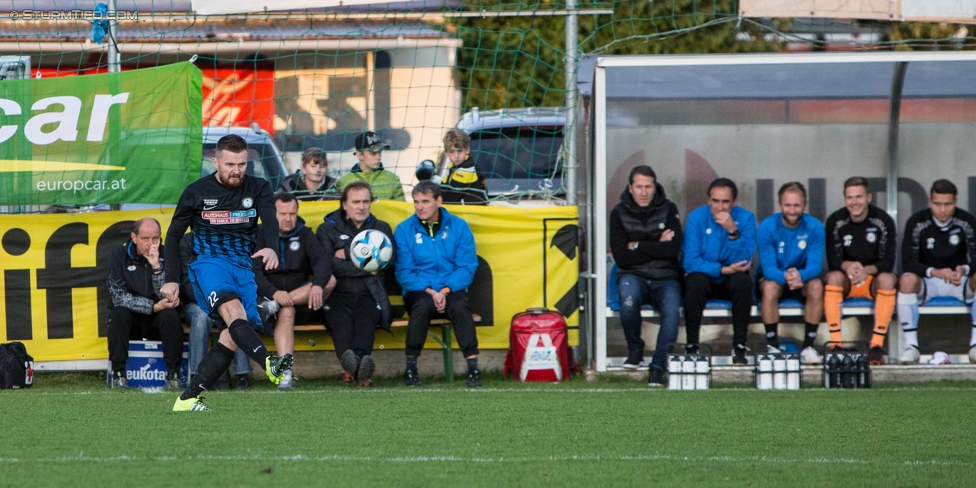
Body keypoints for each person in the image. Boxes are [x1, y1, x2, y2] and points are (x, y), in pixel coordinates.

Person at [162, 134, 294, 412]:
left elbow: (269, 218)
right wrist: (171, 279)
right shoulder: (196, 192)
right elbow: (173, 236)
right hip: (209, 263)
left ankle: (187, 400)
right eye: (230, 164)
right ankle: (269, 362)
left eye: (242, 164)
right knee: (233, 311)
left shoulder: (259, 187)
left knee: (231, 337)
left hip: (242, 268)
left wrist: (271, 247)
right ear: (216, 162)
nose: (236, 170)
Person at [394, 180, 481, 387]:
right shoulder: (404, 229)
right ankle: (411, 369)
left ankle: (474, 369)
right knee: (422, 305)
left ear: (439, 201)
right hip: (419, 290)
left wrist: (445, 290)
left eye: (425, 201)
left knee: (460, 306)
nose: (419, 207)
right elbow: (404, 271)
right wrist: (431, 292)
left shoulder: (459, 227)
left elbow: (467, 266)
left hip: (451, 288)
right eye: (416, 202)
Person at [316, 181, 395, 387]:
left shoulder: (381, 228)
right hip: (337, 294)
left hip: (371, 293)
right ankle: (359, 370)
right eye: (356, 202)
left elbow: (390, 262)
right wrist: (369, 264)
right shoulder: (326, 230)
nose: (361, 206)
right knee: (340, 325)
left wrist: (347, 255)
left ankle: (354, 369)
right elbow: (328, 265)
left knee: (365, 324)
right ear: (344, 204)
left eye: (366, 202)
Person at [608, 165, 682, 387]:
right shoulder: (618, 213)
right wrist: (657, 245)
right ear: (630, 188)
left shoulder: (669, 209)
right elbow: (621, 257)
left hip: (666, 277)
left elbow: (672, 251)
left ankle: (658, 366)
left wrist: (637, 245)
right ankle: (635, 349)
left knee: (671, 312)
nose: (644, 192)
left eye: (648, 186)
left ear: (655, 186)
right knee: (628, 302)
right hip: (633, 275)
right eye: (639, 187)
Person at [253, 192, 334, 390]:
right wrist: (273, 293)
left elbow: (322, 262)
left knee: (329, 281)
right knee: (287, 311)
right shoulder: (259, 234)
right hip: (264, 301)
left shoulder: (305, 234)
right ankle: (286, 373)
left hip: (300, 300)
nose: (288, 219)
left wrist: (317, 284)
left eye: (292, 213)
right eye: (283, 213)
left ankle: (277, 305)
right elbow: (252, 272)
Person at [897, 179, 976, 364]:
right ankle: (912, 347)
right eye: (937, 204)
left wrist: (965, 269)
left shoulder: (967, 222)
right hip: (928, 282)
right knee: (907, 280)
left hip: (959, 282)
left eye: (947, 204)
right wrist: (934, 272)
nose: (942, 210)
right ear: (929, 201)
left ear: (955, 201)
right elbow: (907, 261)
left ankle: (974, 346)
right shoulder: (917, 222)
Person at [682, 178, 757, 365]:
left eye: (725, 202)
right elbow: (691, 262)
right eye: (715, 201)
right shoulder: (696, 218)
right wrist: (723, 269)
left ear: (735, 201)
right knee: (695, 282)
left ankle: (739, 346)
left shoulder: (746, 218)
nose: (720, 207)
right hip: (708, 275)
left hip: (732, 276)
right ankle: (692, 346)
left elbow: (744, 261)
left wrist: (732, 231)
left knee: (742, 282)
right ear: (708, 200)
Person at [824, 177, 897, 365]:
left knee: (888, 279)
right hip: (848, 282)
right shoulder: (836, 220)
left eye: (859, 196)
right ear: (844, 199)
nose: (854, 202)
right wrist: (846, 265)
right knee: (832, 277)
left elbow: (889, 261)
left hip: (872, 281)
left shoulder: (883, 220)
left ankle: (876, 346)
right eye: (850, 197)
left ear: (869, 197)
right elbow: (833, 260)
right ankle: (836, 345)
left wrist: (868, 270)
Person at [106, 218, 184, 389]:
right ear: (134, 237)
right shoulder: (119, 256)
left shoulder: (168, 255)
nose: (151, 244)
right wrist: (152, 306)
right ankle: (119, 373)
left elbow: (169, 295)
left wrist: (156, 266)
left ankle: (174, 375)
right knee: (118, 313)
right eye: (145, 239)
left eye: (155, 239)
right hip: (132, 316)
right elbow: (118, 296)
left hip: (158, 317)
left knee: (171, 316)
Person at [756, 182, 825, 362]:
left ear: (805, 205)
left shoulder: (816, 227)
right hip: (776, 277)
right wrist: (786, 277)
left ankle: (808, 347)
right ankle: (772, 346)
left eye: (796, 205)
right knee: (770, 288)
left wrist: (800, 276)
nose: (792, 210)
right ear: (779, 205)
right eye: (787, 205)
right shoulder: (767, 227)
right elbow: (768, 268)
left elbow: (815, 266)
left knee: (817, 286)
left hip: (803, 279)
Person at [180, 233, 253, 390]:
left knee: (235, 314)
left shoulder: (228, 240)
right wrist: (213, 302)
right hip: (197, 302)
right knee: (201, 317)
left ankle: (243, 376)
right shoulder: (186, 242)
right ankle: (197, 377)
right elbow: (185, 283)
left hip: (225, 298)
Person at [335, 131, 405, 201]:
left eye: (380, 152)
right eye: (373, 153)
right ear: (359, 155)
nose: (378, 157)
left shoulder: (393, 179)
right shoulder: (343, 182)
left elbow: (401, 210)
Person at [439, 129, 488, 205]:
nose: (456, 156)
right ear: (446, 153)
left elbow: (451, 198)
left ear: (467, 150)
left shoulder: (467, 168)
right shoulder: (452, 166)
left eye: (460, 151)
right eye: (452, 152)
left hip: (473, 211)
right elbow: (444, 187)